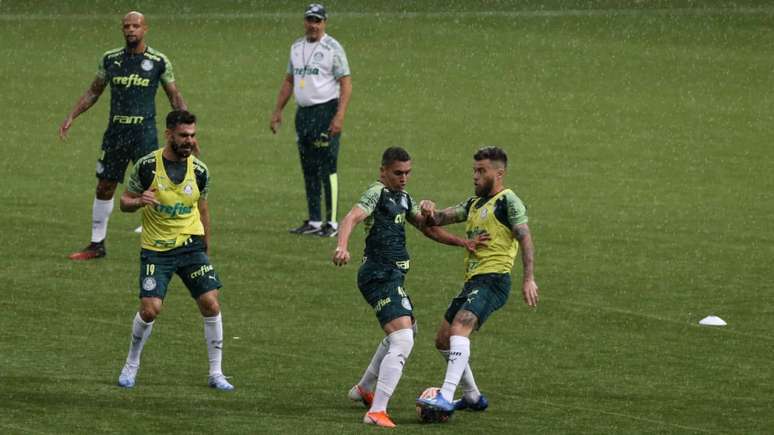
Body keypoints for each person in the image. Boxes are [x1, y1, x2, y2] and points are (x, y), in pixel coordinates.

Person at [333, 147, 485, 428]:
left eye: (407, 173)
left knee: (405, 331)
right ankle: (376, 411)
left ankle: (364, 388)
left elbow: (428, 227)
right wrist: (342, 246)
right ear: (383, 171)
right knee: (403, 339)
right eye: (398, 173)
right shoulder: (376, 192)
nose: (404, 178)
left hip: (392, 278)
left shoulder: (403, 199)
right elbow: (351, 217)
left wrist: (461, 241)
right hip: (378, 276)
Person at [115, 110, 233, 391]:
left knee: (211, 303)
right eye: (183, 135)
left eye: (192, 135)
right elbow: (123, 201)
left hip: (191, 246)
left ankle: (216, 373)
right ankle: (131, 364)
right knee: (150, 309)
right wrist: (139, 201)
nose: (189, 141)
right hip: (156, 250)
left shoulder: (200, 171)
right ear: (169, 134)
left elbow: (203, 208)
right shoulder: (147, 167)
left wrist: (205, 245)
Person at [416, 146, 539, 416]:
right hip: (473, 282)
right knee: (443, 340)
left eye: (481, 171)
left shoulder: (509, 201)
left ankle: (446, 396)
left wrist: (528, 278)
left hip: (494, 280)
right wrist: (427, 209)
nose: (475, 176)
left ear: (499, 173)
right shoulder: (473, 204)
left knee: (461, 326)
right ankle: (472, 397)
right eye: (474, 170)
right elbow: (436, 219)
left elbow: (524, 237)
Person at [60, 11, 187, 260]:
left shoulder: (159, 61)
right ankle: (97, 244)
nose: (131, 30)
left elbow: (174, 96)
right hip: (116, 134)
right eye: (127, 26)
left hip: (144, 133)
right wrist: (72, 115)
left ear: (145, 29)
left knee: (156, 184)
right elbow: (93, 92)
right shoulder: (110, 59)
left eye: (135, 26)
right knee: (105, 185)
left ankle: (167, 239)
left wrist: (186, 130)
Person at [270, 3, 352, 237]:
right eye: (310, 20)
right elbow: (289, 80)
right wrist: (278, 110)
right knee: (309, 167)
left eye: (317, 21)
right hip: (303, 114)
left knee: (328, 167)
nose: (313, 25)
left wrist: (339, 115)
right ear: (305, 21)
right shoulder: (296, 47)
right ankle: (315, 220)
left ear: (324, 23)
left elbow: (346, 83)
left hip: (326, 111)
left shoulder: (332, 48)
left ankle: (332, 222)